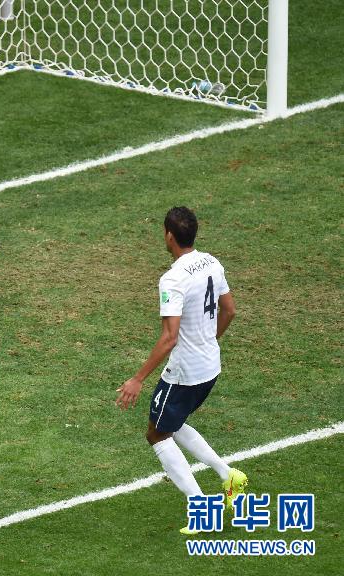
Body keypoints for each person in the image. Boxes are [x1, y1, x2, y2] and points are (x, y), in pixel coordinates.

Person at [115, 206, 247, 534]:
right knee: (171, 423)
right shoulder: (212, 262)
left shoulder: (173, 279)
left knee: (157, 433)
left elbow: (169, 337)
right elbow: (230, 310)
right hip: (210, 365)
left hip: (186, 371)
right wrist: (207, 341)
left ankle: (202, 509)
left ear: (169, 236)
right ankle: (228, 475)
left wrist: (137, 378)